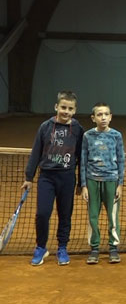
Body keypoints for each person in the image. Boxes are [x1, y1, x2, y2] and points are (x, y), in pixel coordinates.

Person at [22, 90, 84, 266]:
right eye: (63, 107)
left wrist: (81, 182)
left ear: (75, 110)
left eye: (70, 108)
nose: (66, 111)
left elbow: (82, 157)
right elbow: (36, 152)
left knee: (65, 214)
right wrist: (29, 177)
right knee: (42, 214)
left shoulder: (78, 129)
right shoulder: (45, 127)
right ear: (56, 107)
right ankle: (41, 247)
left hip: (67, 178)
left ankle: (62, 248)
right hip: (46, 178)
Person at [81, 102, 125, 264]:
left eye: (106, 114)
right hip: (92, 181)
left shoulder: (116, 136)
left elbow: (121, 160)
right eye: (99, 115)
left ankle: (113, 248)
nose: (103, 117)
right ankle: (94, 248)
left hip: (112, 181)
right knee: (93, 216)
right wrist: (84, 185)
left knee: (113, 217)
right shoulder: (87, 136)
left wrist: (120, 184)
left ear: (111, 117)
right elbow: (83, 161)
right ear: (93, 118)